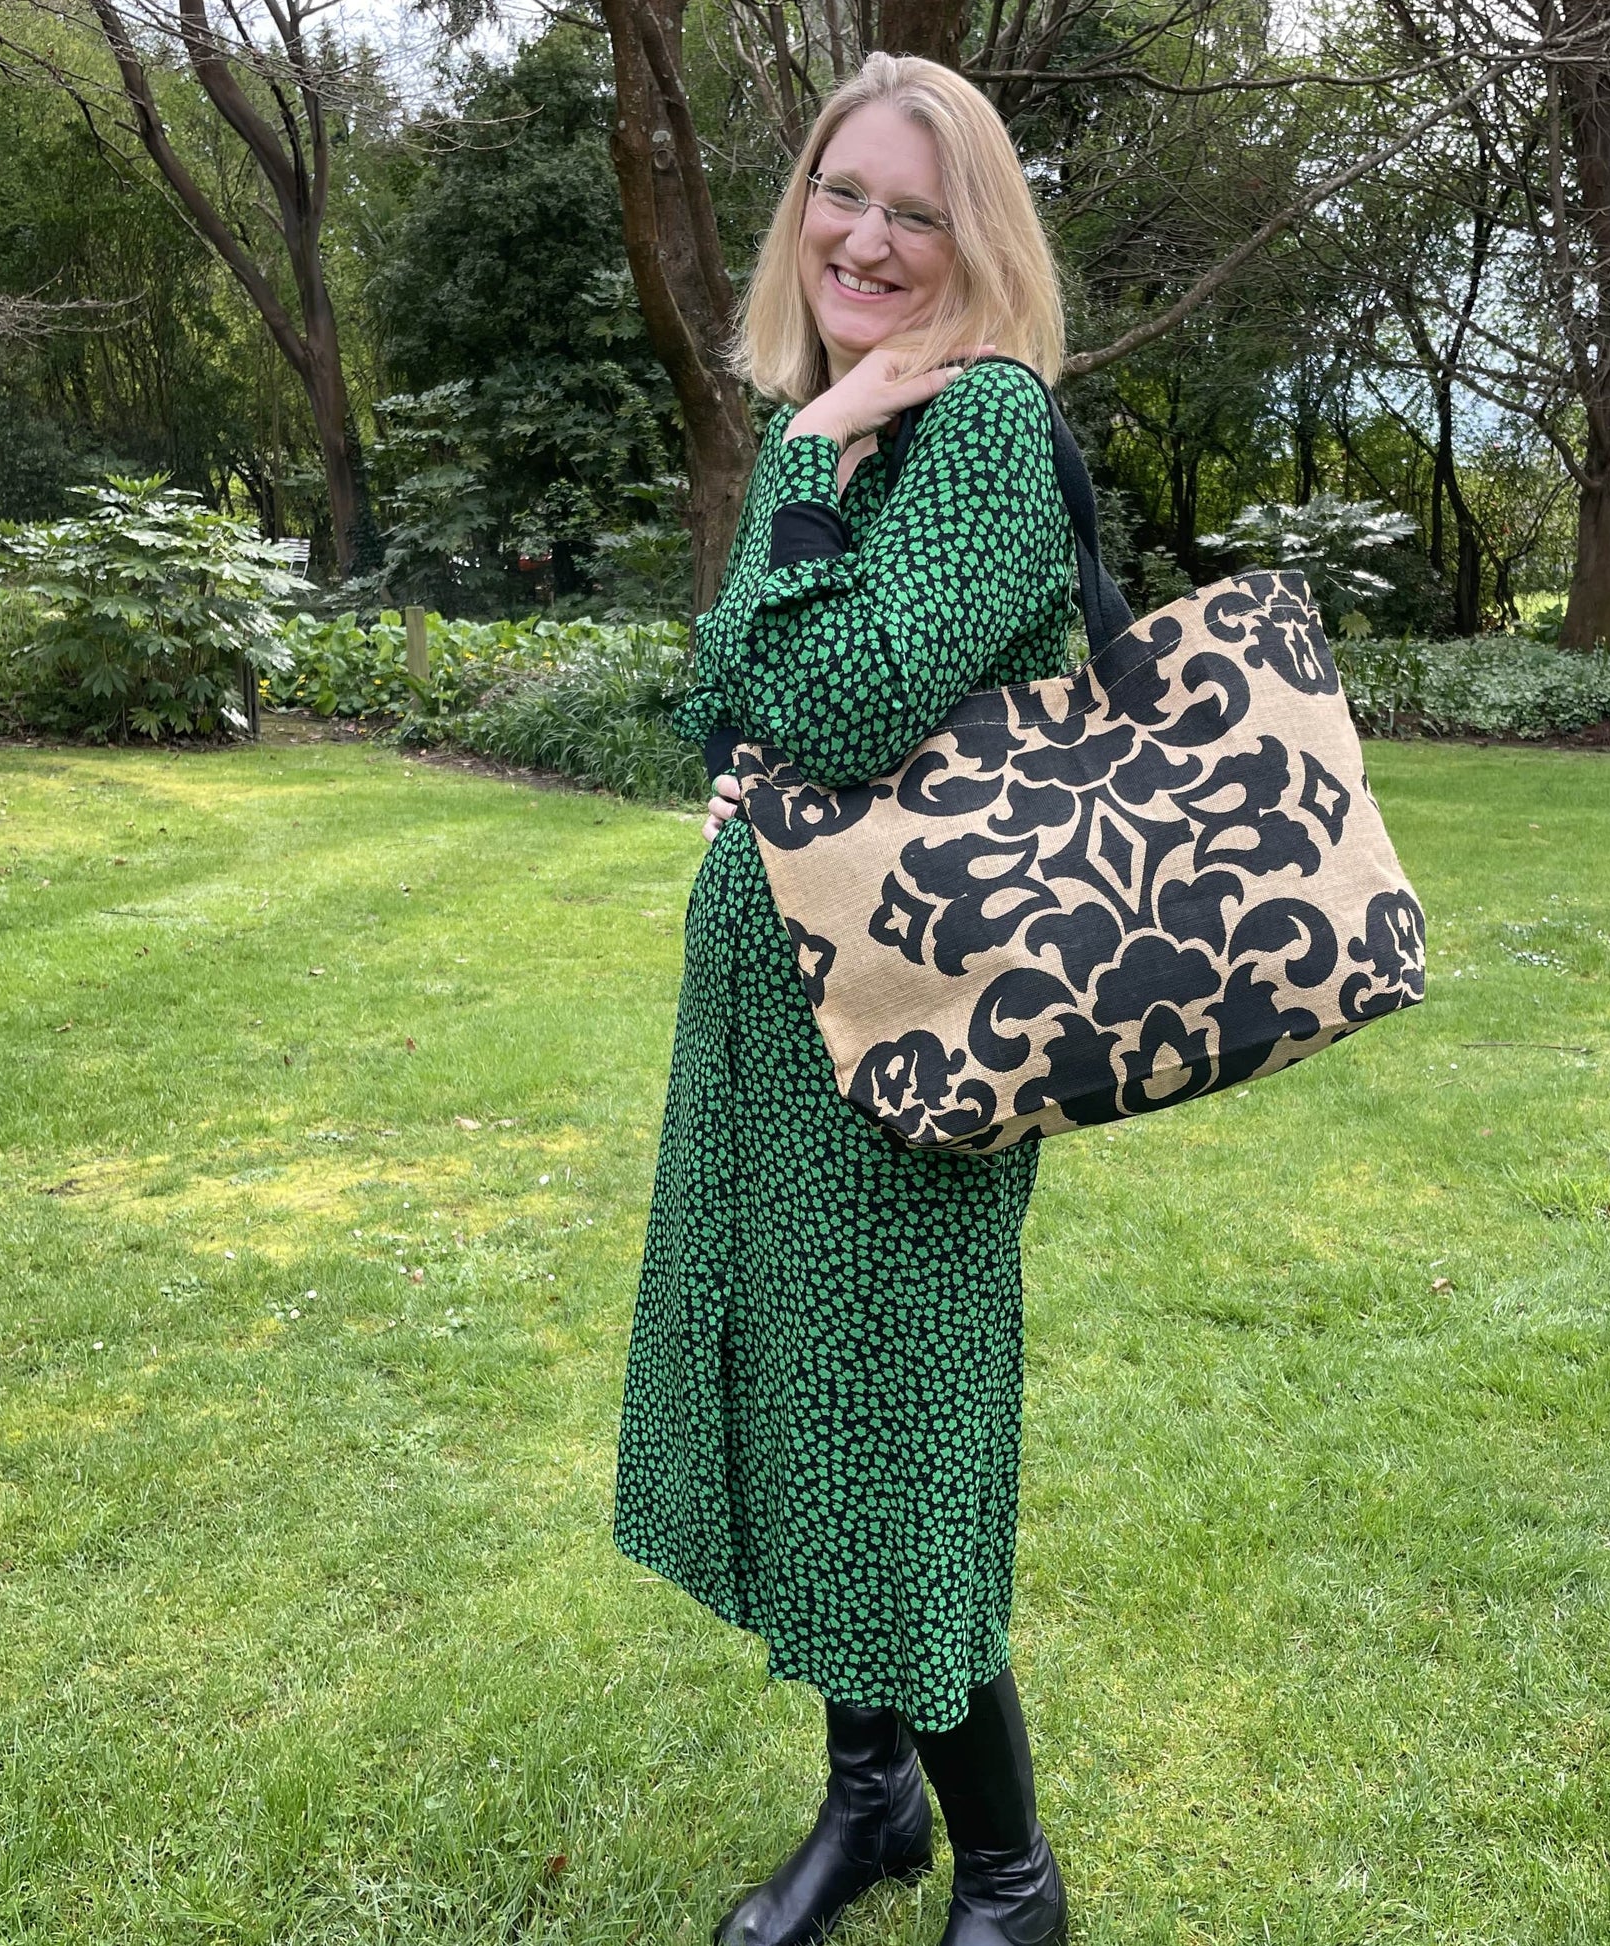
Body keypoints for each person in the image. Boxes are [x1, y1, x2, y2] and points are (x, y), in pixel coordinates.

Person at [613, 50, 1077, 1946]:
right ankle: (869, 1801)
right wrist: (763, 685)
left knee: (896, 1434)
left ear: (977, 241)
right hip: (779, 1028)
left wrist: (796, 487)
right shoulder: (850, 421)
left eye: (914, 208)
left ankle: (1013, 1876)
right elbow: (723, 692)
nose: (866, 238)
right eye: (840, 192)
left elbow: (839, 694)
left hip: (912, 1025)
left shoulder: (968, 429)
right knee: (811, 1414)